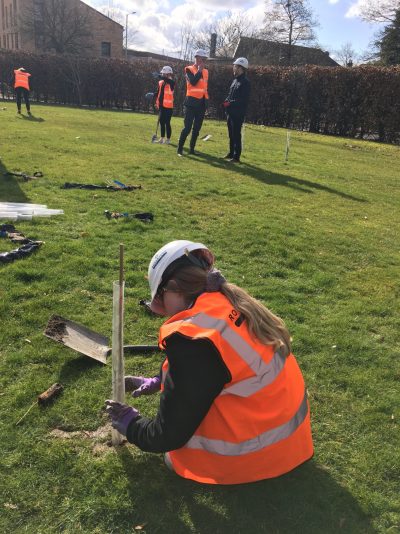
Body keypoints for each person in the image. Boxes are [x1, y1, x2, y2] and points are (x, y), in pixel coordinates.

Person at [105, 240, 314, 485]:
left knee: (174, 458)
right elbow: (221, 369)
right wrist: (160, 380)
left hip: (254, 459)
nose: (164, 307)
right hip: (290, 445)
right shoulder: (227, 302)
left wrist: (133, 426)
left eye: (161, 296)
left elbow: (166, 436)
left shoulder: (195, 342)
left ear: (174, 289)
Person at [177, 49, 209, 157]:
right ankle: (180, 149)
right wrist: (199, 71)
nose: (204, 61)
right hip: (191, 103)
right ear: (196, 58)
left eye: (205, 59)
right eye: (202, 58)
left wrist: (206, 102)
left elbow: (204, 88)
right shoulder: (189, 69)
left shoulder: (206, 71)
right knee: (187, 128)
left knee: (197, 129)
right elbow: (193, 82)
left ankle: (192, 149)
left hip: (202, 104)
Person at [222, 58, 251, 163]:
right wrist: (226, 101)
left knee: (236, 134)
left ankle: (236, 157)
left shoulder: (246, 82)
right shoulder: (235, 80)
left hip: (238, 113)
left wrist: (230, 103)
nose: (233, 68)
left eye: (235, 66)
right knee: (231, 134)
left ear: (240, 68)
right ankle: (230, 153)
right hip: (230, 112)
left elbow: (243, 99)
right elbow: (230, 95)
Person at [153, 66, 175, 144]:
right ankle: (162, 139)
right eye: (162, 74)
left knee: (167, 123)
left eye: (164, 74)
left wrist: (160, 76)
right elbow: (158, 92)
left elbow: (169, 81)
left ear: (168, 74)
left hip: (169, 107)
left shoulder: (172, 83)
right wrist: (153, 95)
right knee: (162, 122)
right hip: (162, 106)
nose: (162, 75)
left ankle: (168, 140)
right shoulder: (161, 82)